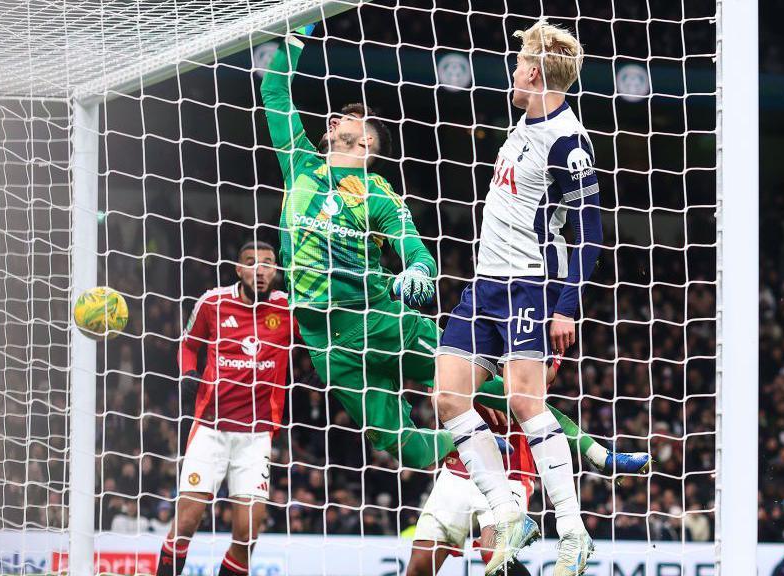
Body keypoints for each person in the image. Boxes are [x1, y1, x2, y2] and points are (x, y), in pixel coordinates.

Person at [258, 25, 650, 476]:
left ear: (366, 142)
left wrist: (417, 273)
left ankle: (593, 451)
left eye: (348, 118)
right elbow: (274, 86)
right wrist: (298, 25)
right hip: (324, 339)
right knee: (404, 448)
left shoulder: (379, 195)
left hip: (380, 319)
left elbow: (419, 254)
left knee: (504, 393)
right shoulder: (298, 163)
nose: (335, 119)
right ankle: (486, 444)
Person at [434, 19, 600, 576]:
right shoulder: (521, 128)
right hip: (483, 284)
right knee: (448, 396)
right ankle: (508, 513)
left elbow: (591, 233)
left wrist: (566, 305)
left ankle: (573, 532)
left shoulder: (567, 141)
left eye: (517, 64)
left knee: (526, 403)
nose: (512, 72)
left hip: (529, 284)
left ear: (533, 71)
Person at [156, 242, 296, 576]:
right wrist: (188, 372)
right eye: (251, 263)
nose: (260, 270)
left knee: (247, 536)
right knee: (187, 522)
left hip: (256, 436)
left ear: (276, 269)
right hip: (211, 430)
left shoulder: (289, 309)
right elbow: (188, 345)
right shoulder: (213, 302)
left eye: (268, 263)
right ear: (238, 269)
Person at [407, 407, 533, 576]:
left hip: (509, 469)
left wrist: (488, 388)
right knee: (419, 567)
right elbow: (437, 392)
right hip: (457, 465)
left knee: (494, 554)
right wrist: (472, 388)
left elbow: (530, 394)